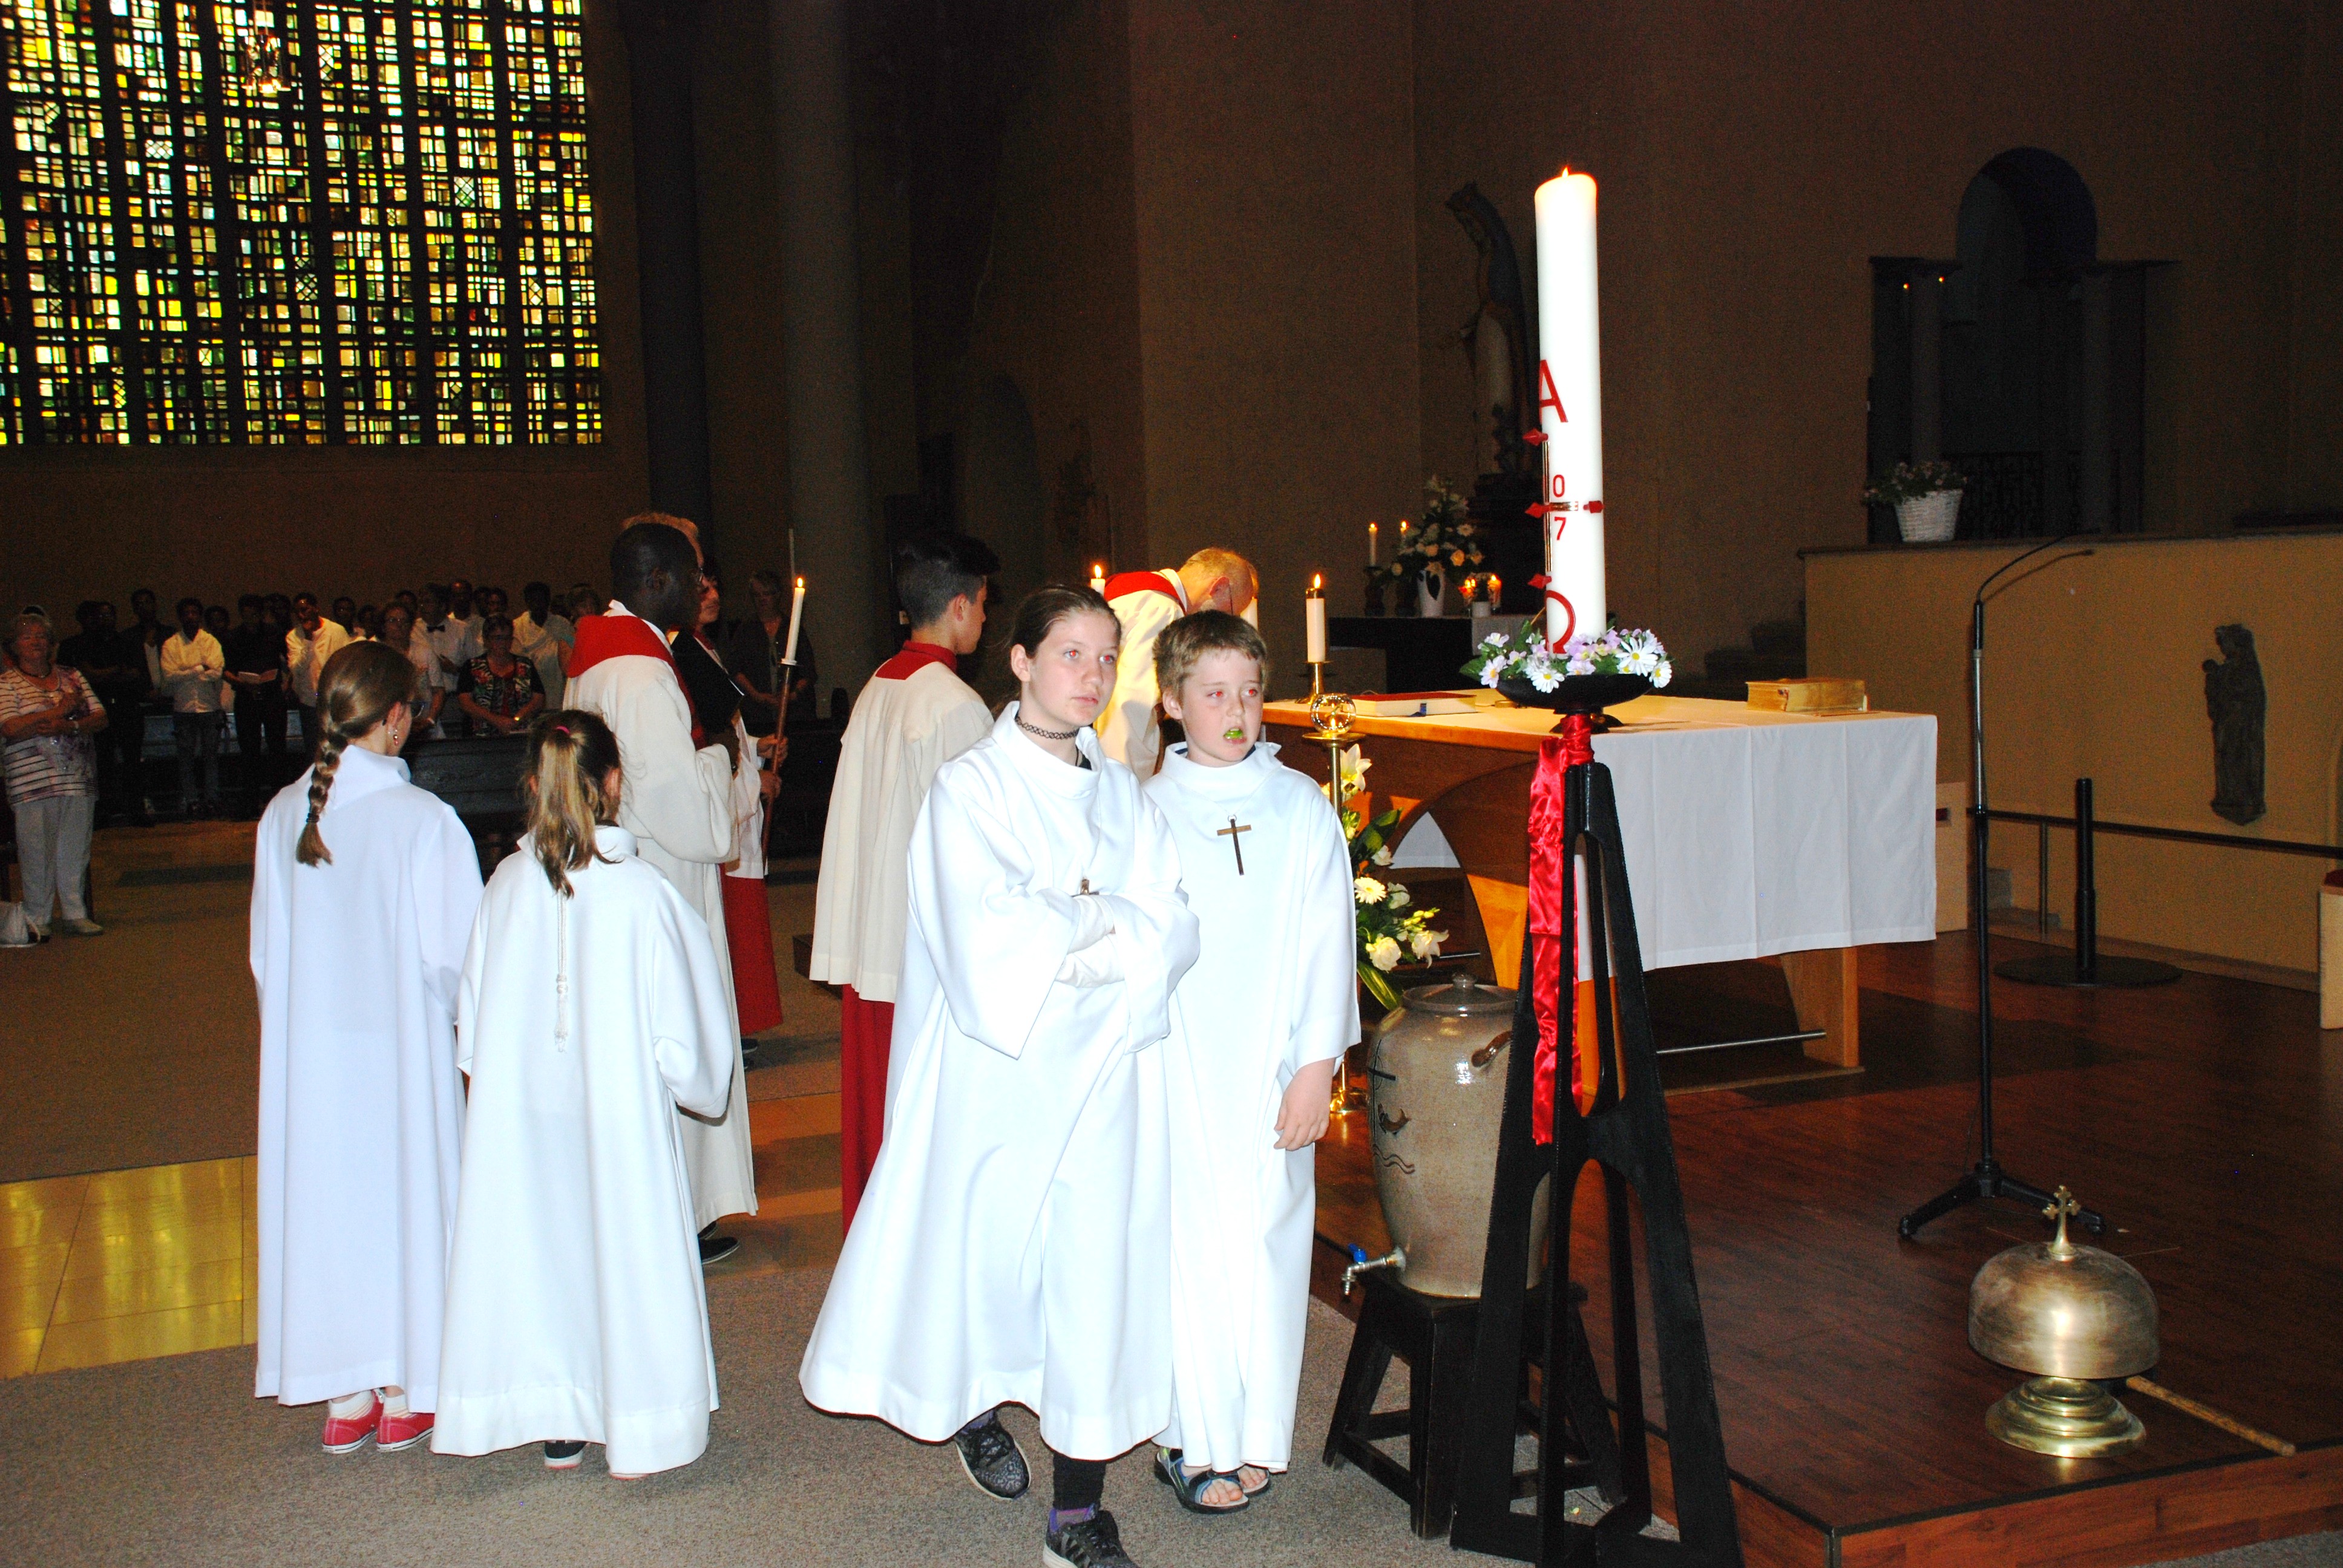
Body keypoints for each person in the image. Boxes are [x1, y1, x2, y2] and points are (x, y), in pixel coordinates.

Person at [799, 585, 1199, 1568]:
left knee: (1092, 1280)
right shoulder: (969, 789)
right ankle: (974, 1407)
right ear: (1019, 661)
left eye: (1105, 657)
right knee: (982, 1267)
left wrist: (1082, 937)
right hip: (999, 1077)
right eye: (1070, 654)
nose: (1092, 676)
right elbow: (990, 940)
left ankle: (1076, 1514)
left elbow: (1173, 921)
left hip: (1106, 1078)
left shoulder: (1124, 792)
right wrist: (1108, 929)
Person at [434, 710, 736, 1476]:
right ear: (613, 784)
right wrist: (700, 1084)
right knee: (621, 1248)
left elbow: (470, 1032)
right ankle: (639, 1419)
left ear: (533, 785)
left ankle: (556, 1413)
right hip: (618, 1120)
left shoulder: (504, 887)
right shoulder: (644, 895)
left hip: (525, 1122)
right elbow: (694, 1052)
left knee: (543, 1251)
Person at [1141, 610, 1357, 1512]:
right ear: (1169, 701)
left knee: (1269, 1243)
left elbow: (1326, 939)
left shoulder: (1299, 806)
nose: (1235, 713)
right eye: (1213, 695)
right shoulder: (1146, 810)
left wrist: (1316, 1065)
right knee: (1188, 1245)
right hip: (1180, 1065)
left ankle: (1256, 1432)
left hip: (1272, 1067)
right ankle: (1190, 1438)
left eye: (1250, 693)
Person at [248, 641, 483, 1454]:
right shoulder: (422, 820)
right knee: (405, 1196)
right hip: (397, 1052)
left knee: (330, 1203)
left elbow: (265, 955)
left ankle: (344, 1389)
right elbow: (457, 958)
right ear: (395, 718)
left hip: (312, 1055)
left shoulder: (284, 813)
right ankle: (408, 1383)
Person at [566, 520, 756, 1259]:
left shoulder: (602, 656)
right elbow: (687, 816)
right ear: (656, 581)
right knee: (672, 1033)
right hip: (660, 877)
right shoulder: (641, 674)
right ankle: (676, 1209)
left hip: (620, 871)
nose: (703, 587)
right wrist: (719, 757)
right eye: (692, 574)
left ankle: (657, 1205)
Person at [808, 531, 997, 1227]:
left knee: (877, 1098)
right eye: (983, 605)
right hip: (920, 943)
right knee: (921, 1108)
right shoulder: (952, 704)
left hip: (874, 926)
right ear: (958, 606)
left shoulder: (880, 684)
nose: (985, 619)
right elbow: (976, 842)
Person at [672, 564, 785, 1046]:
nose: (712, 595)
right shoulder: (681, 652)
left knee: (744, 922)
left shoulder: (705, 648)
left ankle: (743, 1021)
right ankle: (731, 1027)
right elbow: (702, 743)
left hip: (736, 790)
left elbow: (729, 729)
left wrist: (757, 746)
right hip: (723, 806)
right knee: (731, 925)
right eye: (701, 590)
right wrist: (753, 782)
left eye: (715, 586)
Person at [1095, 549, 1258, 775]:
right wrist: (1127, 783)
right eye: (1231, 612)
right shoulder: (1164, 611)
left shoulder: (1140, 592)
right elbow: (1133, 706)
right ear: (1218, 588)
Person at [0, 612, 108, 937]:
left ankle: (75, 912)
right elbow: (11, 728)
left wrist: (69, 726)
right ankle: (38, 917)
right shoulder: (6, 683)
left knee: (75, 847)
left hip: (76, 776)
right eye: (27, 637)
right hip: (31, 781)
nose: (35, 641)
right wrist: (58, 711)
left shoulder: (72, 676)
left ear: (51, 643)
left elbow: (100, 717)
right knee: (36, 851)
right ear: (14, 646)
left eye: (41, 636)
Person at [58, 600, 150, 825]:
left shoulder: (127, 642)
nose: (105, 619)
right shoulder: (82, 645)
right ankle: (103, 811)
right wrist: (117, 671)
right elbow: (88, 676)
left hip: (127, 707)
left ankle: (136, 810)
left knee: (133, 761)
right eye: (100, 615)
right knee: (101, 762)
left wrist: (107, 674)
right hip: (98, 709)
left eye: (109, 614)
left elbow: (137, 675)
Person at [160, 595, 227, 816]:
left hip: (209, 707)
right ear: (180, 617)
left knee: (211, 757)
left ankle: (212, 799)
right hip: (184, 708)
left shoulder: (210, 642)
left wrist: (185, 671)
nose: (190, 617)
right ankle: (191, 800)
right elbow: (169, 676)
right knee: (186, 758)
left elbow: (217, 671)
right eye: (186, 613)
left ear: (200, 616)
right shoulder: (171, 644)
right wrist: (199, 669)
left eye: (194, 613)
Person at [223, 593, 289, 812]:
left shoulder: (274, 632)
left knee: (277, 748)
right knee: (249, 750)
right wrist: (241, 682)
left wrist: (286, 682)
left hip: (272, 695)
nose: (250, 619)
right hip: (246, 696)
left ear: (261, 614)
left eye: (254, 614)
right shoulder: (233, 636)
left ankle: (279, 801)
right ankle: (250, 801)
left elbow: (289, 660)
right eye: (246, 615)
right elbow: (226, 670)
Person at [283, 592, 352, 756]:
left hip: (335, 701)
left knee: (339, 748)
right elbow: (296, 669)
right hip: (309, 702)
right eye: (297, 612)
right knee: (314, 750)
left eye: (305, 610)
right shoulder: (294, 636)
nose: (301, 615)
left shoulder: (336, 631)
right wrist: (308, 641)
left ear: (316, 608)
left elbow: (347, 663)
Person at [454, 615, 546, 736]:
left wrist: (517, 719)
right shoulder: (471, 667)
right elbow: (465, 702)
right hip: (480, 737)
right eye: (498, 638)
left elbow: (539, 699)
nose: (503, 643)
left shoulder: (526, 665)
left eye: (507, 638)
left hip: (520, 734)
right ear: (486, 640)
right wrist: (496, 720)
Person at [379, 603, 448, 741]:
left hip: (425, 727)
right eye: (393, 620)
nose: (399, 625)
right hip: (387, 729)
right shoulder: (376, 655)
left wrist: (430, 720)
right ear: (383, 626)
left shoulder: (425, 653)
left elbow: (438, 691)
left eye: (404, 621)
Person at [512, 581, 574, 704]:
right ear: (527, 602)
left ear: (548, 601)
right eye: (534, 600)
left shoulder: (562, 625)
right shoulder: (517, 626)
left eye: (541, 600)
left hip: (556, 688)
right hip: (528, 690)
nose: (538, 605)